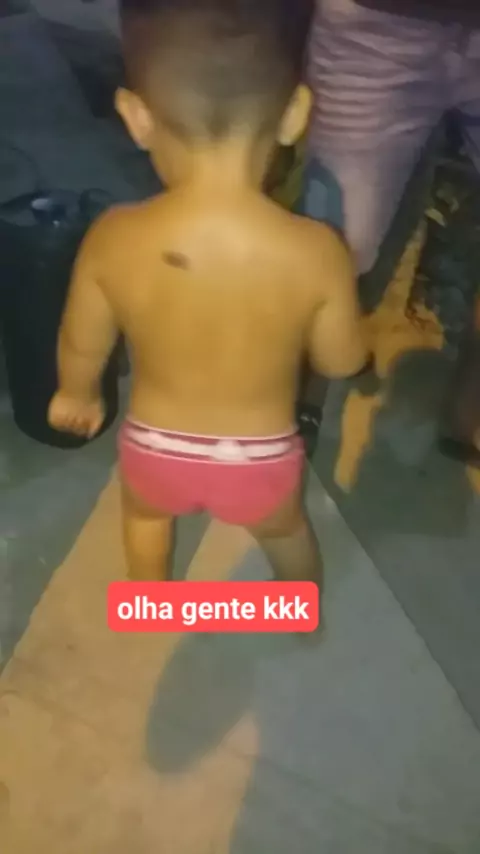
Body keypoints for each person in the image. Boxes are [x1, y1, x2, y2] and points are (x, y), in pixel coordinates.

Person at [47, 0, 367, 592]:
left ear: (136, 117)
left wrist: (76, 392)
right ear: (296, 114)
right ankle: (295, 608)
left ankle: (152, 601)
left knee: (145, 520)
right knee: (286, 533)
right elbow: (341, 360)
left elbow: (81, 340)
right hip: (259, 460)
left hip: (155, 448)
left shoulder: (114, 237)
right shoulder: (317, 250)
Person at [302, 0, 480, 460]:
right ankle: (302, 402)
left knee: (335, 238)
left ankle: (469, 406)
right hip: (376, 24)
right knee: (336, 241)